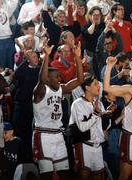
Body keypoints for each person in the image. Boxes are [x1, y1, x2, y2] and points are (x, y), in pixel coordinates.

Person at [32, 42, 83, 180]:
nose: (60, 79)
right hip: (43, 135)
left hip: (58, 135)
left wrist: (77, 57)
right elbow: (41, 79)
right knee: (46, 176)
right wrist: (47, 56)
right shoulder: (40, 91)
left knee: (65, 174)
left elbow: (79, 80)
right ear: (48, 78)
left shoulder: (60, 89)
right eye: (57, 77)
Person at [69, 75, 107, 180]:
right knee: (84, 176)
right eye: (95, 84)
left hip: (98, 146)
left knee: (99, 176)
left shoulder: (99, 103)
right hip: (84, 146)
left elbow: (103, 127)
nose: (99, 86)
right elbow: (82, 127)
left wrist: (107, 115)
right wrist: (95, 114)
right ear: (87, 87)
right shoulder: (77, 104)